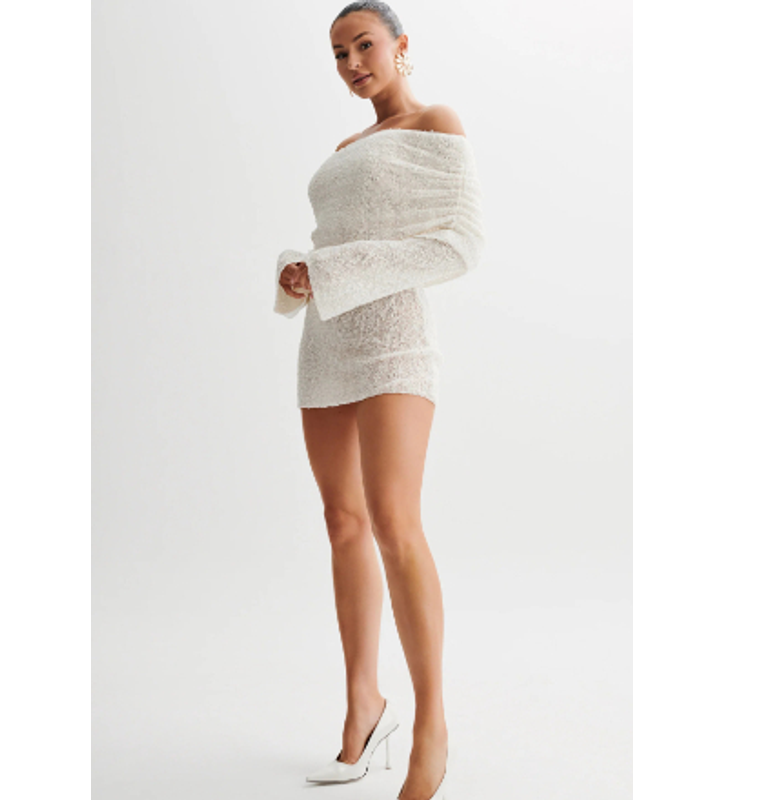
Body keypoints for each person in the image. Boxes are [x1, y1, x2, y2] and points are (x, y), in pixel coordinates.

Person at [274, 4, 486, 799]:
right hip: (327, 340)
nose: (353, 62)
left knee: (396, 523)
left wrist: (339, 269)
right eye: (339, 53)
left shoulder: (436, 122)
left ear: (400, 46)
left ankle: (432, 727)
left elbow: (460, 244)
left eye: (364, 45)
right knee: (343, 523)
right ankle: (364, 707)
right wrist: (302, 272)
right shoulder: (343, 149)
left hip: (394, 337)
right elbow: (335, 244)